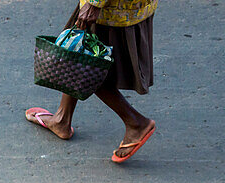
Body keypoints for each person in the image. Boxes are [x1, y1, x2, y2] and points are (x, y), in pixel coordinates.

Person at [26, 0, 158, 163]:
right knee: (76, 48)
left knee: (89, 64)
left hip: (111, 7)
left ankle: (136, 122)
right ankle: (62, 119)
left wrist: (94, 3)